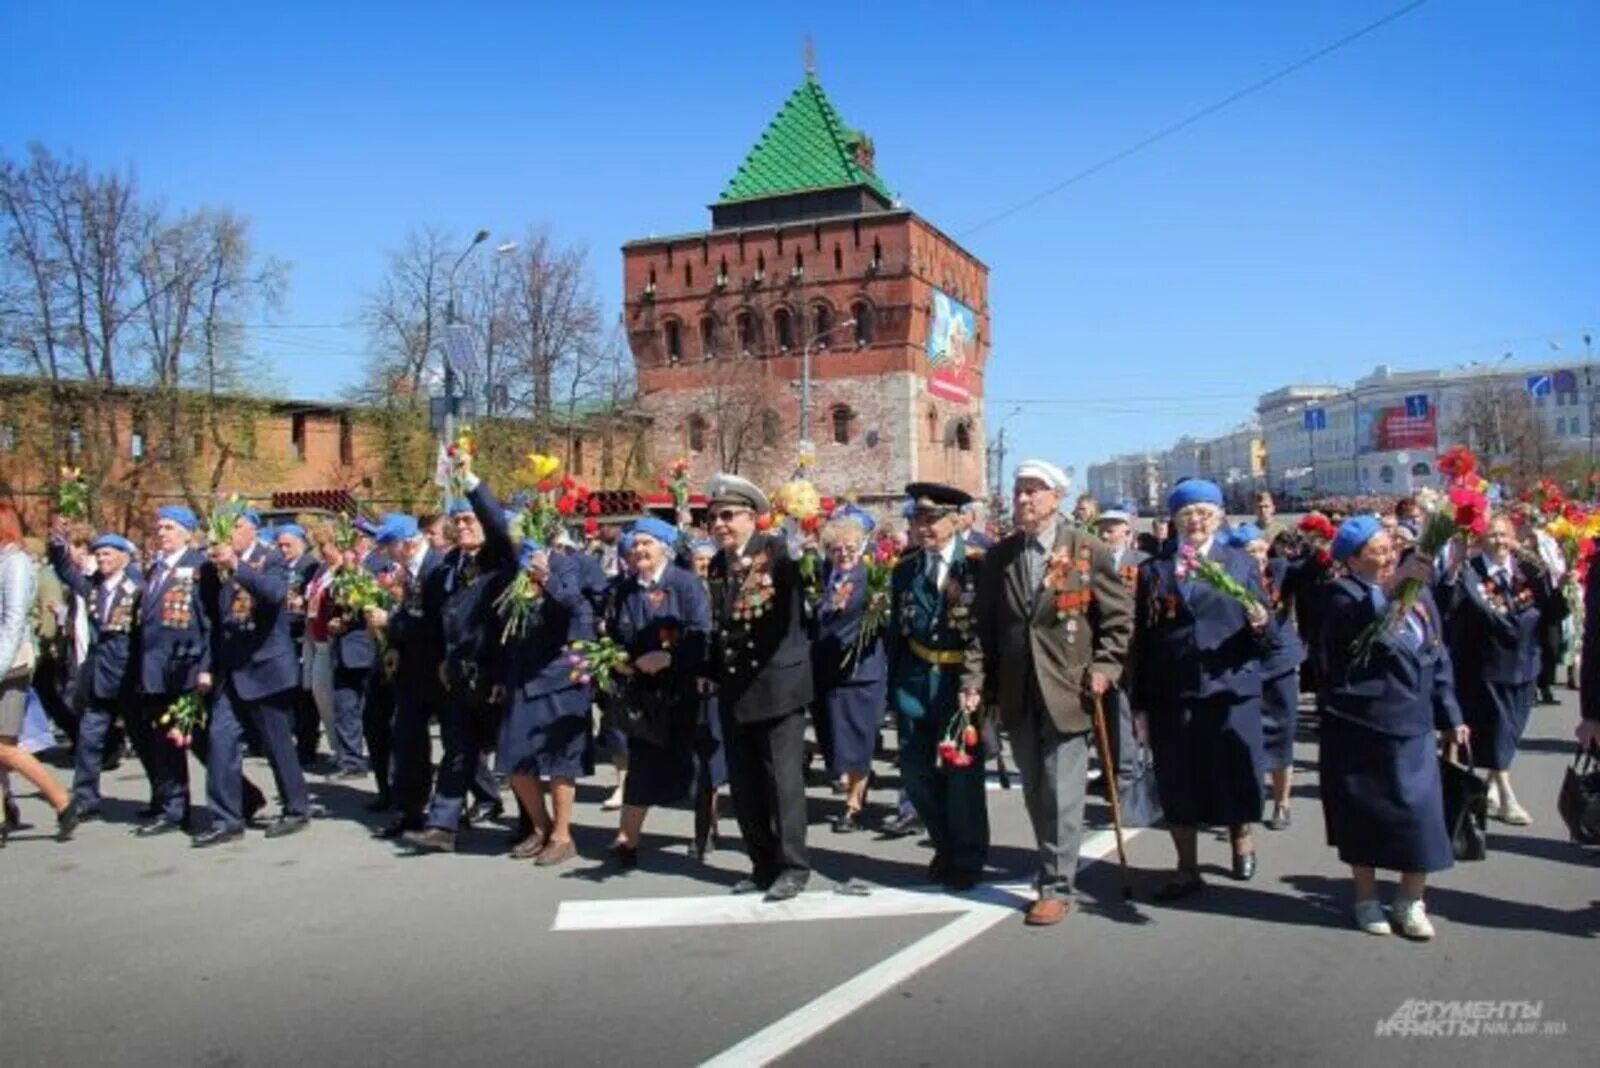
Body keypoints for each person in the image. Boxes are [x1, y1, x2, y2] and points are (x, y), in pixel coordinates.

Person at [968, 462, 1132, 925]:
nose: (1023, 499)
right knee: (1036, 790)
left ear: (1056, 497)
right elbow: (986, 627)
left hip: (1068, 688)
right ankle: (1052, 862)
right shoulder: (1000, 556)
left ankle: (1057, 885)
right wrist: (977, 682)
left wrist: (1105, 665)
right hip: (1018, 691)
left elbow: (1118, 618)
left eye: (1033, 491)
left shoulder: (1089, 549)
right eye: (1018, 491)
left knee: (1061, 791)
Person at [1318, 516, 1467, 940]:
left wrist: (1452, 715)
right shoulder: (1340, 595)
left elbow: (1438, 659)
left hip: (1413, 727)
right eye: (1376, 551)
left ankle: (1412, 900)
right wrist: (1396, 581)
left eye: (1390, 548)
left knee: (1421, 818)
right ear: (1350, 562)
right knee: (1362, 817)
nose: (1386, 557)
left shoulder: (1419, 596)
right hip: (1361, 727)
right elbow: (1351, 627)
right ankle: (1366, 898)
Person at [1132, 479, 1272, 900]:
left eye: (1204, 513)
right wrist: (1139, 702)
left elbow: (1267, 631)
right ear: (1173, 521)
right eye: (1187, 514)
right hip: (1173, 692)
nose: (1196, 520)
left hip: (1230, 687)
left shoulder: (1239, 564)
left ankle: (1241, 838)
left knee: (1233, 771)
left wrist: (1262, 624)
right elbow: (1143, 636)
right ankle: (1186, 866)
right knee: (1178, 777)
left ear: (1219, 517)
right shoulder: (1154, 570)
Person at [704, 474, 814, 901]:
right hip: (735, 686)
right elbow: (722, 624)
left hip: (776, 685)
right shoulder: (718, 563)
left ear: (753, 517)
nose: (719, 524)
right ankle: (761, 862)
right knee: (745, 782)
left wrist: (802, 530)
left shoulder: (777, 553)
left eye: (728, 515)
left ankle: (793, 866)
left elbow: (797, 578)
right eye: (713, 517)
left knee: (781, 782)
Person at [402, 461, 515, 854]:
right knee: (457, 750)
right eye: (459, 521)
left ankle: (535, 824)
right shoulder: (449, 566)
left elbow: (498, 525)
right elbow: (435, 617)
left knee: (511, 753)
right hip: (458, 674)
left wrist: (470, 483)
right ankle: (443, 825)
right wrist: (439, 659)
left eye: (471, 519)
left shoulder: (500, 560)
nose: (465, 526)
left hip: (495, 673)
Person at [887, 482, 988, 891]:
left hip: (960, 681)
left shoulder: (979, 567)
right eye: (916, 518)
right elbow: (896, 631)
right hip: (914, 679)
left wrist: (980, 684)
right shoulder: (905, 570)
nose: (922, 526)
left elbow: (987, 631)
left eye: (931, 518)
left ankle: (966, 856)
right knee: (914, 769)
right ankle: (943, 843)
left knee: (961, 775)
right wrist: (892, 690)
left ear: (956, 521)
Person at [194, 507, 311, 846]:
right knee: (220, 739)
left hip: (266, 668)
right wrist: (206, 666)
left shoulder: (270, 558)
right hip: (230, 670)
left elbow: (274, 595)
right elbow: (212, 622)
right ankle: (226, 819)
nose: (228, 534)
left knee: (276, 744)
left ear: (252, 530)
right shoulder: (211, 566)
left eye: (235, 526)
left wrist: (237, 567)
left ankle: (296, 808)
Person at [606, 517, 713, 866]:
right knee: (641, 765)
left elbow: (701, 633)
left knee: (695, 766)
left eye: (646, 543)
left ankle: (704, 830)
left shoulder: (685, 585)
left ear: (664, 548)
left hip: (681, 692)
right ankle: (627, 839)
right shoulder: (625, 589)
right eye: (635, 545)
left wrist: (668, 657)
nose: (639, 550)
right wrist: (616, 658)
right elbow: (613, 634)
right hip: (642, 695)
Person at [1439, 512, 1558, 826]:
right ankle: (1507, 796)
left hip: (1526, 664)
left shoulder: (1526, 571)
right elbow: (1448, 606)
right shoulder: (1470, 572)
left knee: (1512, 731)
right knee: (1499, 731)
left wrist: (1561, 580)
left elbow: (1550, 609)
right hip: (1486, 666)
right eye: (1493, 535)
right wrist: (1453, 566)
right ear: (1480, 539)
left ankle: (1491, 785)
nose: (1500, 541)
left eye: (1504, 535)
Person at [497, 535, 595, 866]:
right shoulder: (510, 569)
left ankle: (562, 835)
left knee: (559, 762)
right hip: (521, 676)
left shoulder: (564, 562)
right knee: (515, 759)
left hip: (558, 675)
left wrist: (546, 578)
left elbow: (578, 607)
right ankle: (540, 827)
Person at [46, 526, 146, 823]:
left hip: (128, 674)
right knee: (89, 738)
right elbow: (65, 570)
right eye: (98, 554)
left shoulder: (139, 585)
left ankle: (164, 798)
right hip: (98, 675)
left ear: (124, 558)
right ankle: (86, 797)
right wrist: (57, 543)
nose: (101, 559)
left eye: (107, 554)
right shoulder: (93, 586)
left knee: (144, 740)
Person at [0, 502, 78, 842]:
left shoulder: (15, 563)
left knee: (4, 747)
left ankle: (62, 799)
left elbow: (15, 619)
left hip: (11, 664)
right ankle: (4, 813)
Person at [366, 513, 447, 839]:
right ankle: (409, 813)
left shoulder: (436, 567)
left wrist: (391, 621)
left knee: (458, 745)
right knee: (407, 741)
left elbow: (434, 621)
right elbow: (411, 612)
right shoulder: (411, 571)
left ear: (408, 542)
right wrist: (395, 645)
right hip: (413, 671)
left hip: (440, 669)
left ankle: (463, 807)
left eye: (389, 545)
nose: (385, 552)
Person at [813, 507, 888, 833]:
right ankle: (851, 791)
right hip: (828, 672)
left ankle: (854, 807)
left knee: (858, 739)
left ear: (861, 549)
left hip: (861, 672)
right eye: (835, 549)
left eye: (850, 548)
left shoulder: (871, 581)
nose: (843, 554)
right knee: (836, 740)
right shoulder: (828, 579)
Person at [1230, 523, 1305, 830]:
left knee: (1282, 732)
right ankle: (1249, 802)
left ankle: (1282, 802)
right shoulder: (1230, 577)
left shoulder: (1280, 571)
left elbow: (1310, 569)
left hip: (1280, 661)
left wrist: (1316, 539)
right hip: (1245, 664)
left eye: (1262, 549)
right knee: (1246, 738)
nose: (1260, 557)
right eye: (1252, 552)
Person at [1091, 508, 1145, 783]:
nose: (1105, 534)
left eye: (1112, 529)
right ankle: (1108, 766)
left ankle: (1125, 772)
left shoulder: (1141, 562)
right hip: (1098, 646)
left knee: (1123, 709)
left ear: (1127, 532)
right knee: (1101, 710)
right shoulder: (1089, 562)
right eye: (1101, 529)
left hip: (1131, 648)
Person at [276, 524, 323, 768]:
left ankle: (307, 745)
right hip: (283, 634)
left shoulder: (309, 566)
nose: (284, 550)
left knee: (304, 697)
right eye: (281, 545)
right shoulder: (281, 567)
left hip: (301, 635)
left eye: (289, 545)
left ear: (301, 543)